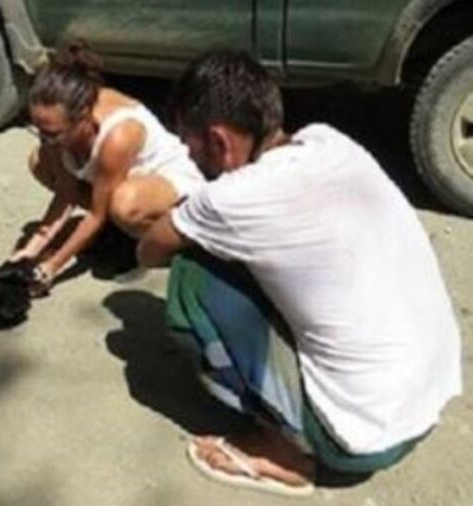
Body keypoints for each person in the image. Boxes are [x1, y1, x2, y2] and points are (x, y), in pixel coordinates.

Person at [138, 51, 462, 496]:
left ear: (218, 141)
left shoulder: (231, 199)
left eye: (191, 145)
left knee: (192, 275)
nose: (192, 158)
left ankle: (285, 450)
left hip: (356, 440)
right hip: (424, 401)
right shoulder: (329, 142)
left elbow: (150, 251)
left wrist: (183, 214)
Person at [10, 40, 204, 293]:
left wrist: (51, 268)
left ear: (82, 119)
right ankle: (117, 232)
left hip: (169, 183)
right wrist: (32, 250)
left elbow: (96, 214)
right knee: (39, 162)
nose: (46, 140)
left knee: (122, 205)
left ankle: (166, 245)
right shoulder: (58, 128)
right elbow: (66, 194)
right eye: (39, 130)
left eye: (52, 134)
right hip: (118, 179)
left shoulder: (118, 135)